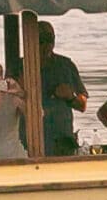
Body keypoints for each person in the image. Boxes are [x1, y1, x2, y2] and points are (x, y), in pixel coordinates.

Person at [36, 21, 86, 153]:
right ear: (30, 41)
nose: (46, 45)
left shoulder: (66, 65)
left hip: (63, 141)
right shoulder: (20, 67)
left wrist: (70, 97)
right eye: (41, 40)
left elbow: (82, 105)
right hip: (30, 140)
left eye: (50, 39)